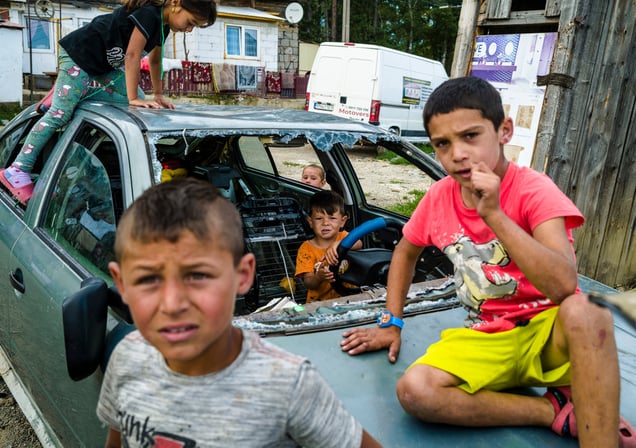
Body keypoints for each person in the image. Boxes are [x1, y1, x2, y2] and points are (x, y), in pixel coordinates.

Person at [339, 76, 636, 447]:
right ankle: (552, 410)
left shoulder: (534, 190)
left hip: (548, 336)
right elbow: (405, 252)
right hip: (487, 336)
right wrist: (391, 321)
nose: (457, 154)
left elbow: (563, 285)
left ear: (504, 131)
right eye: (442, 144)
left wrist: (494, 215)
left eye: (470, 136)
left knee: (588, 312)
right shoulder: (439, 197)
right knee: (415, 391)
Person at [98, 177, 381, 448]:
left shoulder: (289, 384)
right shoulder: (127, 357)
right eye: (148, 279)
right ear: (122, 283)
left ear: (243, 276)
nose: (172, 304)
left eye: (198, 276)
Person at [0, 0, 216, 205]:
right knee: (60, 114)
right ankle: (17, 169)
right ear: (176, 3)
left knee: (135, 103)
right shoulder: (150, 15)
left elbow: (155, 61)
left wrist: (158, 94)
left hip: (102, 68)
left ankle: (69, 92)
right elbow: (132, 56)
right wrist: (133, 97)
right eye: (191, 23)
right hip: (79, 56)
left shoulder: (163, 27)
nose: (189, 30)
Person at [296, 190, 362, 303]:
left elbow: (359, 243)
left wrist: (339, 244)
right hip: (320, 303)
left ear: (342, 221)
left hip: (349, 299)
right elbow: (309, 283)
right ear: (310, 221)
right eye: (319, 218)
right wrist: (318, 277)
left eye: (332, 218)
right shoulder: (306, 249)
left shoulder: (344, 237)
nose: (325, 223)